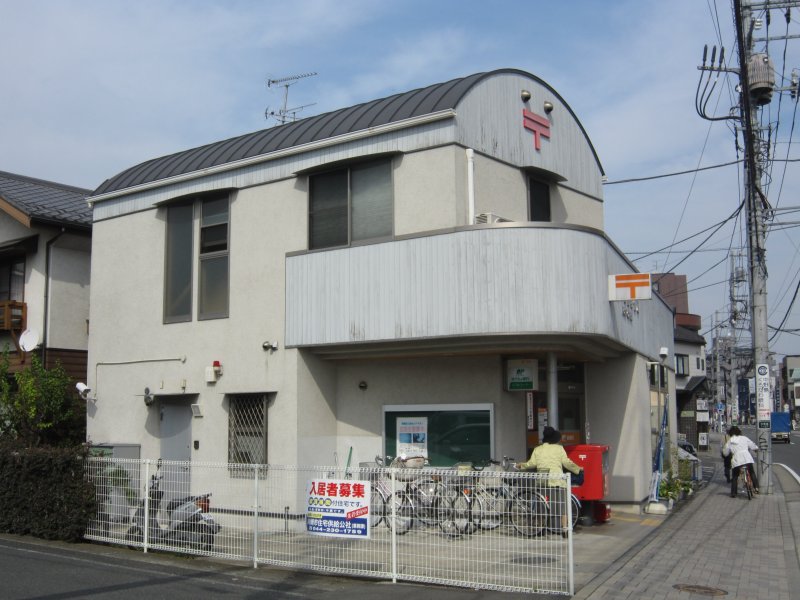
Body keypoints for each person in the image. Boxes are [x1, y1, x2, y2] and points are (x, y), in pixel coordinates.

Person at [517, 426, 583, 537]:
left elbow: (531, 464)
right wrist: (578, 469)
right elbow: (567, 463)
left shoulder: (538, 449)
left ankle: (540, 529)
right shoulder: (559, 449)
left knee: (541, 506)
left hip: (543, 482)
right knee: (562, 506)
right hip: (557, 481)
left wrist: (521, 465)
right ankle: (565, 530)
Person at [722, 426, 759, 497]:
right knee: (752, 472)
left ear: (730, 433)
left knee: (735, 476)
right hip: (747, 458)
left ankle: (733, 493)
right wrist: (756, 449)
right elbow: (753, 446)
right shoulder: (744, 438)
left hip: (737, 460)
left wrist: (726, 454)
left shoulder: (730, 441)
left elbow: (725, 452)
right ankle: (756, 487)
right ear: (739, 432)